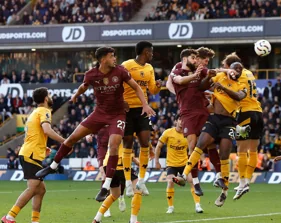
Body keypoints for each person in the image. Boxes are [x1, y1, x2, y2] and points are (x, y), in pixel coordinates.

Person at [35, 47, 155, 203]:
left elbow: (137, 87)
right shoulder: (91, 74)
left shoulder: (120, 71)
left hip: (117, 115)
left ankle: (105, 186)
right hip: (99, 114)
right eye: (112, 56)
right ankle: (52, 166)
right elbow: (83, 86)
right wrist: (76, 95)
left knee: (113, 146)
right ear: (103, 59)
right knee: (72, 138)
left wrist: (145, 104)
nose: (114, 59)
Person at [173, 62, 247, 207]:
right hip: (214, 119)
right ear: (229, 69)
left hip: (229, 122)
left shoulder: (242, 84)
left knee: (224, 154)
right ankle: (183, 174)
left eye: (240, 69)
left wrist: (222, 88)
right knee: (200, 144)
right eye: (235, 67)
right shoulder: (220, 76)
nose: (237, 70)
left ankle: (224, 191)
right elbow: (201, 86)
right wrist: (208, 78)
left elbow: (239, 97)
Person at [1, 87, 65, 223]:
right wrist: (65, 141)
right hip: (31, 154)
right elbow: (47, 130)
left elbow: (31, 135)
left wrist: (43, 148)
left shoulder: (33, 113)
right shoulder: (44, 111)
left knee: (40, 189)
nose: (50, 96)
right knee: (33, 187)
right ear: (45, 98)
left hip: (31, 153)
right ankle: (10, 216)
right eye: (49, 94)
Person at [169, 48, 218, 196]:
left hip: (202, 110)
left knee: (210, 143)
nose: (196, 61)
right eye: (193, 58)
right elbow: (176, 81)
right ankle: (196, 183)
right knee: (192, 145)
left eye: (197, 58)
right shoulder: (177, 70)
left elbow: (211, 79)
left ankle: (221, 176)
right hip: (187, 114)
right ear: (185, 59)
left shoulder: (200, 70)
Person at [215, 52, 263, 200]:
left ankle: (242, 182)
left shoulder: (235, 73)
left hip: (245, 113)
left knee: (241, 151)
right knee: (253, 151)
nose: (225, 69)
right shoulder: (249, 73)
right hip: (258, 113)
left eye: (226, 66)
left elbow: (221, 74)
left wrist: (222, 71)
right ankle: (247, 180)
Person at [121, 41, 161, 197]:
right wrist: (121, 101)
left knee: (145, 143)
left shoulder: (149, 68)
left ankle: (142, 181)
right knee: (128, 144)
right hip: (127, 110)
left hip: (143, 109)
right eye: (151, 52)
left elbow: (151, 89)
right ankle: (127, 183)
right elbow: (118, 83)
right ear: (145, 52)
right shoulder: (127, 65)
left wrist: (157, 86)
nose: (152, 55)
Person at [154, 114, 203, 214]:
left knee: (192, 181)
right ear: (176, 121)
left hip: (185, 164)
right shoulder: (168, 132)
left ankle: (198, 205)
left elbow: (195, 149)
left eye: (183, 120)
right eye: (180, 120)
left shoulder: (189, 135)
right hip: (171, 164)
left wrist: (199, 159)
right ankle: (170, 207)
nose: (181, 122)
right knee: (170, 182)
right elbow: (158, 146)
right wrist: (156, 161)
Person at [92, 139, 146, 223]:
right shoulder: (125, 130)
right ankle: (133, 221)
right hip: (121, 164)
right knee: (138, 188)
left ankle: (97, 218)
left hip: (108, 164)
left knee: (115, 194)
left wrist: (137, 162)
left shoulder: (114, 130)